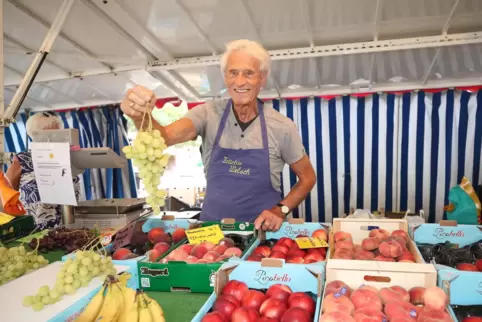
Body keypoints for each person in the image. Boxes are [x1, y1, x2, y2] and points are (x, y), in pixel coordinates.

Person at [121, 39, 316, 231]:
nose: (240, 81)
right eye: (233, 73)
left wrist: (281, 210)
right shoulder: (207, 114)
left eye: (249, 73)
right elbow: (164, 138)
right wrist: (139, 116)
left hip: (262, 234)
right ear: (225, 77)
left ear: (262, 78)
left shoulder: (281, 127)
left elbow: (307, 178)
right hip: (211, 232)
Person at [5, 112, 81, 230]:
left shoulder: (66, 157)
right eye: (51, 133)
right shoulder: (22, 160)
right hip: (33, 231)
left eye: (59, 132)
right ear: (35, 134)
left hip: (66, 228)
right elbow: (6, 197)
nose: (57, 137)